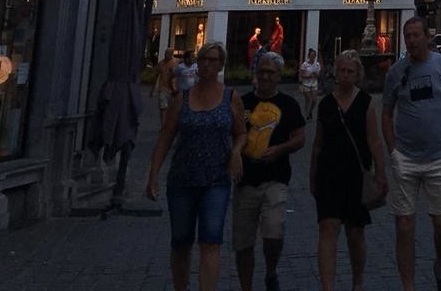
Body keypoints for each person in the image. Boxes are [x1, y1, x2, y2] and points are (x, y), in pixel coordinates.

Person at [146, 40, 246, 291]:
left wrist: (236, 152)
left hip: (216, 180)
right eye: (203, 59)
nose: (206, 64)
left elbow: (241, 132)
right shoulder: (182, 98)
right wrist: (153, 174)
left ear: (221, 64)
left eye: (212, 60)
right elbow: (166, 136)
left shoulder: (231, 98)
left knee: (211, 241)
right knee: (180, 242)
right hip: (182, 179)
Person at [382, 16, 441, 291]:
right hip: (405, 157)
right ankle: (409, 286)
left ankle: (440, 265)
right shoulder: (396, 71)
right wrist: (392, 150)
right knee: (404, 225)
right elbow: (386, 112)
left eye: (417, 35)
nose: (412, 40)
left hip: (439, 156)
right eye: (408, 36)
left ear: (427, 37)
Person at [312, 49, 387, 291]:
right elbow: (318, 142)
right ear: (335, 72)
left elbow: (374, 140)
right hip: (329, 173)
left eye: (350, 72)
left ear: (357, 75)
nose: (345, 75)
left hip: (355, 175)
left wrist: (380, 172)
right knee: (328, 226)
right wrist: (312, 173)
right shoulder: (325, 104)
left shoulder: (365, 103)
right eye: (341, 71)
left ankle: (358, 283)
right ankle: (328, 287)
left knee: (355, 233)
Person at [234, 51, 306, 291]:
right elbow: (230, 135)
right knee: (243, 241)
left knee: (273, 231)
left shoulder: (289, 104)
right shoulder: (242, 103)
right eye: (262, 71)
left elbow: (300, 138)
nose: (265, 76)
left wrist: (280, 149)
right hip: (245, 180)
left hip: (275, 178)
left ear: (279, 76)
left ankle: (271, 272)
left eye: (270, 72)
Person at [300, 48, 323, 119]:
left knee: (314, 100)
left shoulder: (317, 64)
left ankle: (310, 111)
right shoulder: (305, 64)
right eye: (311, 55)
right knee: (308, 99)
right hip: (306, 84)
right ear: (309, 56)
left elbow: (319, 75)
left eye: (314, 55)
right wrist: (308, 76)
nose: (313, 57)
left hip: (314, 84)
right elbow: (301, 75)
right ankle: (306, 114)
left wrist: (316, 74)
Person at [153, 48, 177, 116]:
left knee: (172, 109)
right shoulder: (161, 63)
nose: (166, 55)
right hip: (163, 88)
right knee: (163, 108)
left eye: (168, 54)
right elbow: (157, 75)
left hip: (173, 89)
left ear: (172, 54)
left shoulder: (176, 62)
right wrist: (152, 89)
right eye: (165, 53)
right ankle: (163, 125)